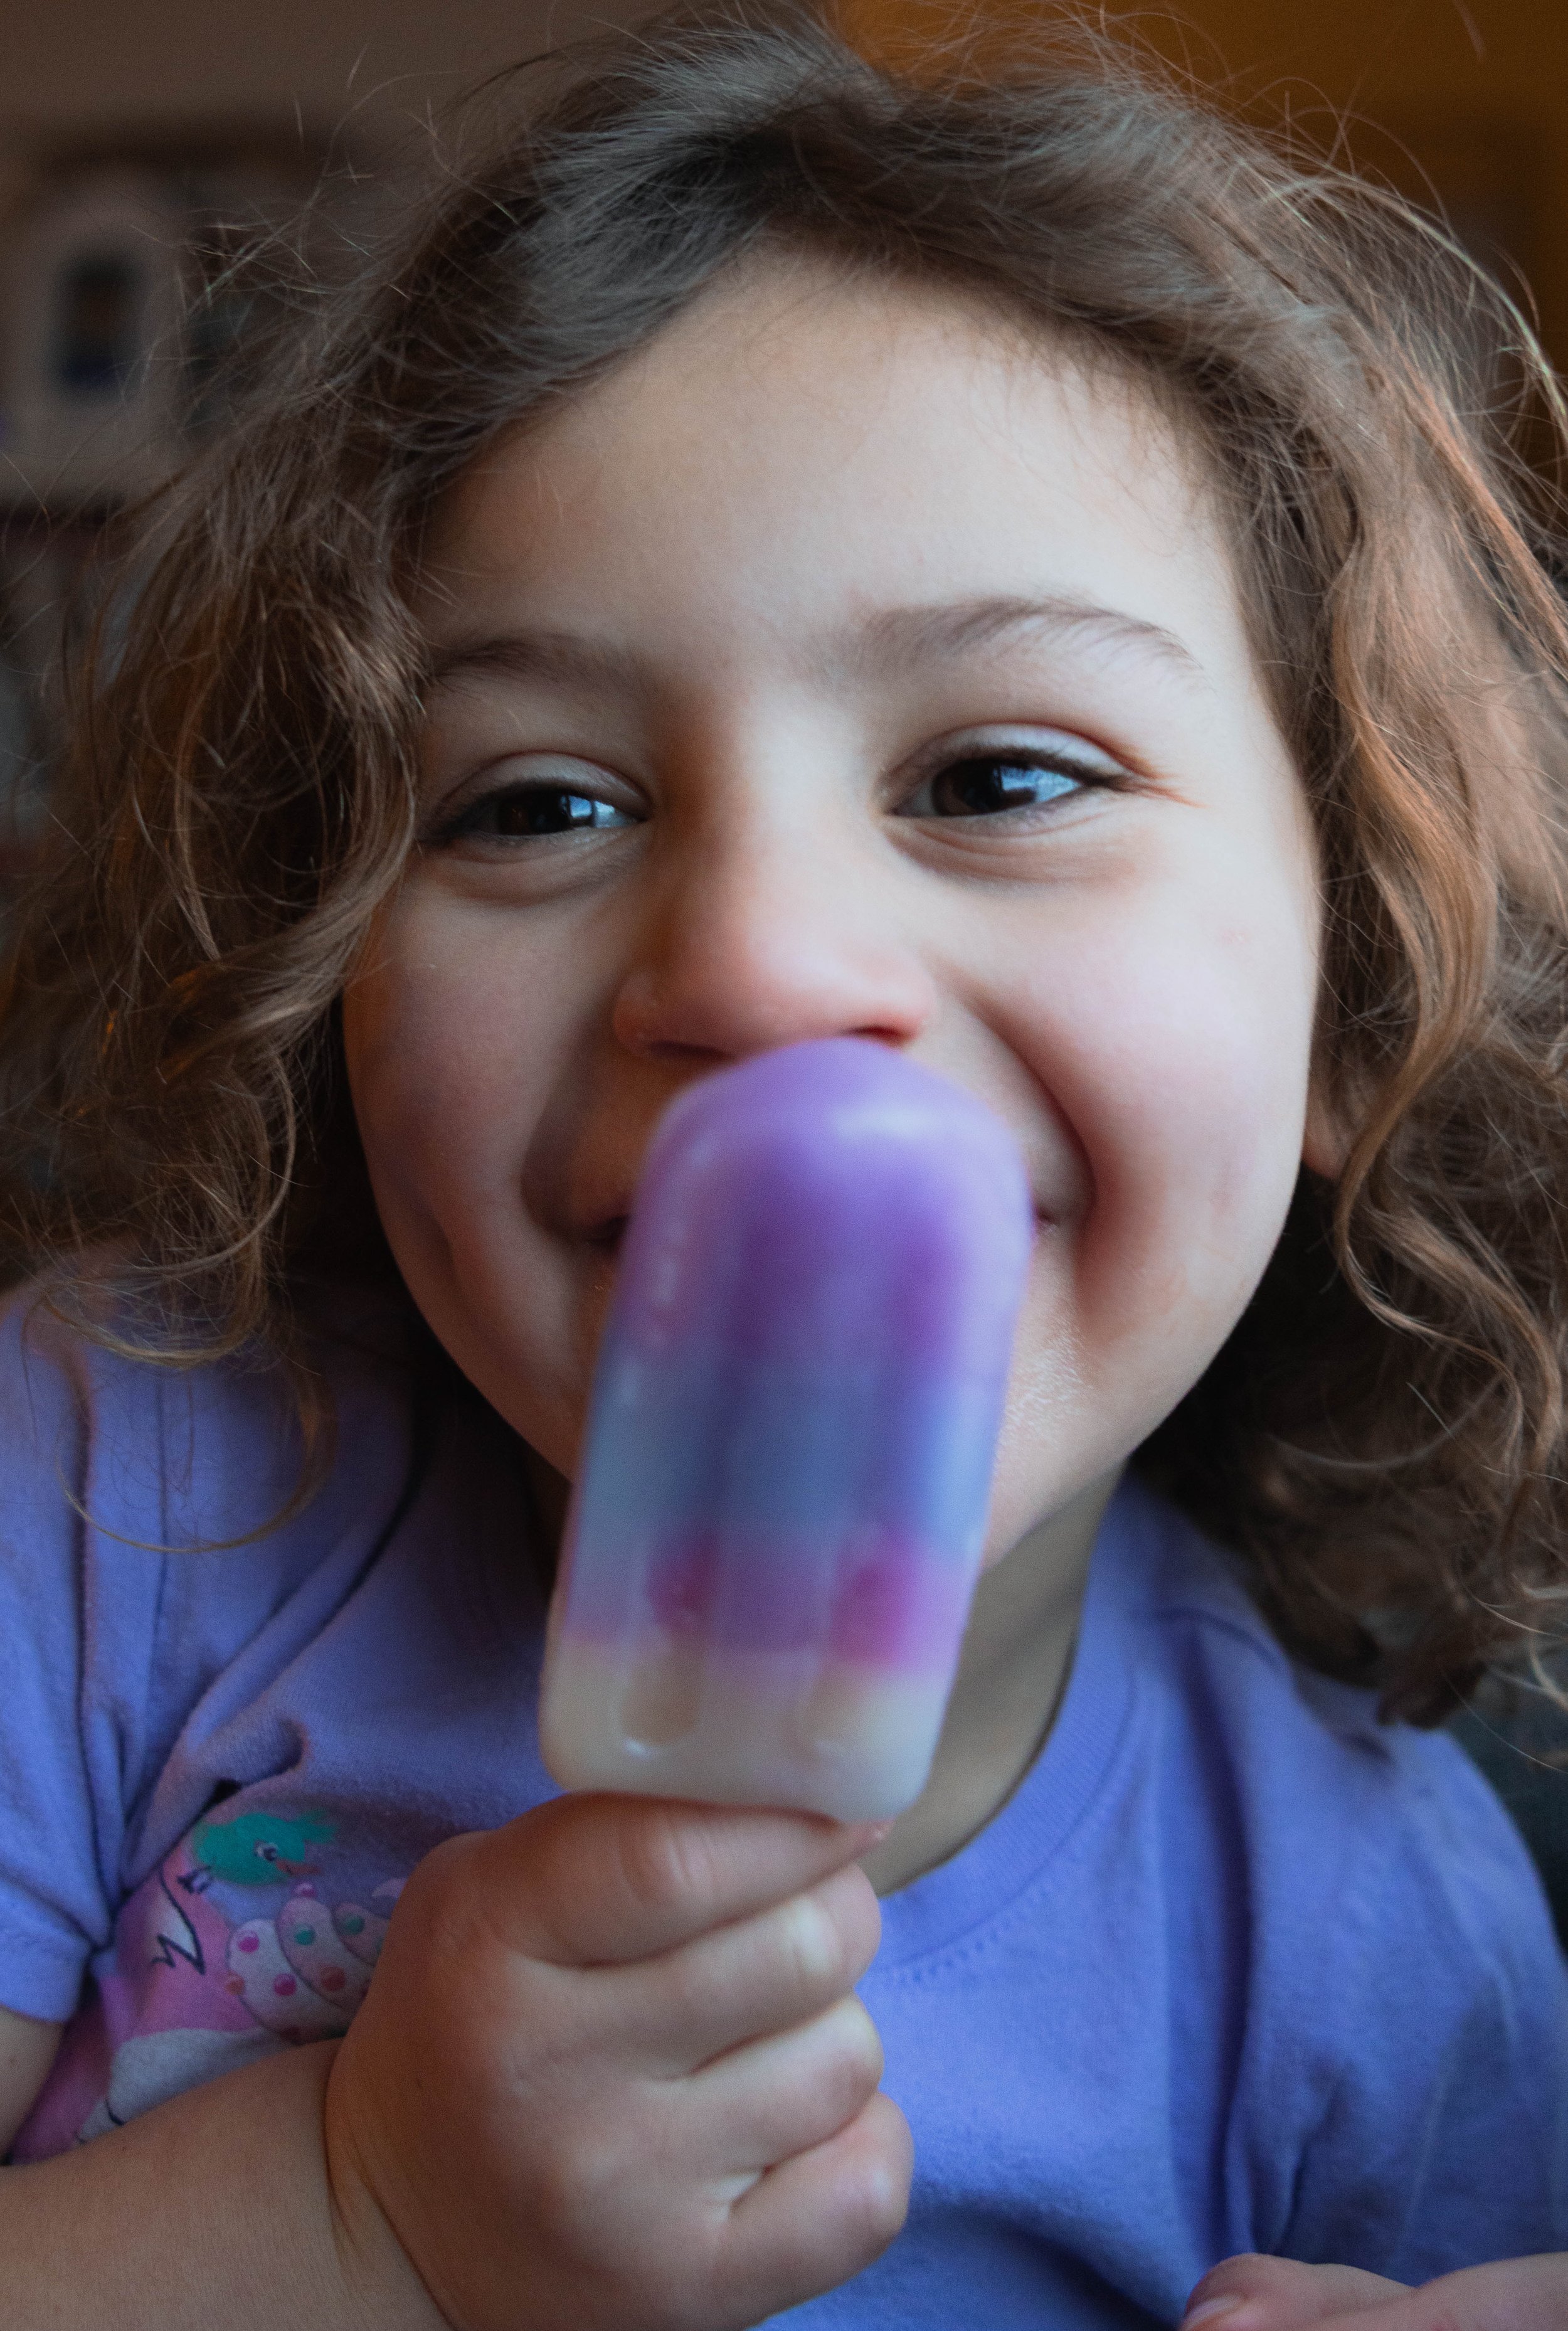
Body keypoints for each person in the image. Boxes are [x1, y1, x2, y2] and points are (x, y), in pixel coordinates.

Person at [0, 8, 1565, 2325]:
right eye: (536, 801)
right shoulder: (104, 1496)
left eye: (1002, 777)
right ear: (323, 976)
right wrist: (349, 2209)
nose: (750, 959)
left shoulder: (1374, 1939)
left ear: (1354, 992)